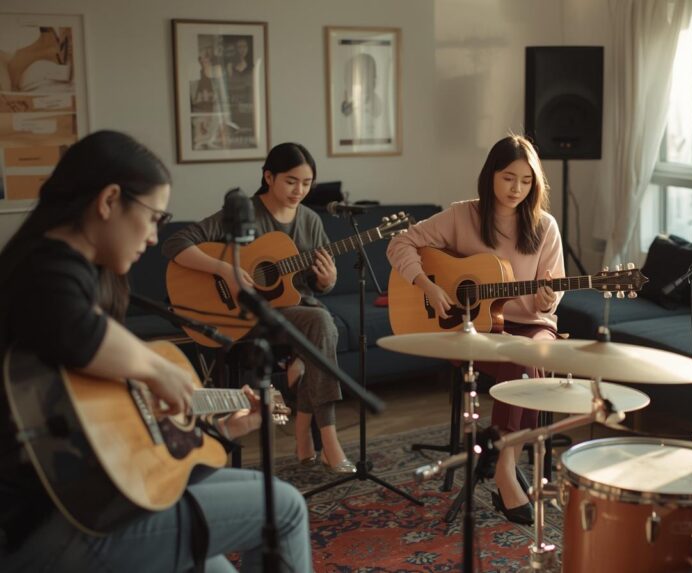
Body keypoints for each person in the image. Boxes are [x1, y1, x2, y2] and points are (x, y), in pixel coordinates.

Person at [0, 130, 311, 572]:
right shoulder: (43, 269)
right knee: (284, 508)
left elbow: (107, 418)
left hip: (91, 495)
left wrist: (219, 427)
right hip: (50, 524)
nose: (153, 238)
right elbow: (76, 331)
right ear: (109, 201)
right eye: (154, 218)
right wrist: (159, 371)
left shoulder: (81, 274)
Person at [387, 135, 564, 525]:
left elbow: (547, 305)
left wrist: (548, 298)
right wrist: (427, 285)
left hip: (532, 326)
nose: (516, 189)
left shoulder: (545, 227)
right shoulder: (461, 216)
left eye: (526, 181)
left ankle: (504, 466)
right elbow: (400, 243)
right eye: (508, 178)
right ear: (490, 175)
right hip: (472, 328)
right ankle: (507, 471)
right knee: (524, 363)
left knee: (527, 355)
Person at [163, 142, 355, 475]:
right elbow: (175, 243)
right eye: (291, 181)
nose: (299, 191)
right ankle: (328, 439)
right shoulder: (245, 214)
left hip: (294, 310)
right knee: (323, 325)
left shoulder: (311, 221)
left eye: (306, 183)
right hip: (243, 315)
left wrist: (328, 280)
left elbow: (313, 285)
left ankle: (307, 428)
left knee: (321, 325)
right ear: (268, 177)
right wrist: (226, 269)